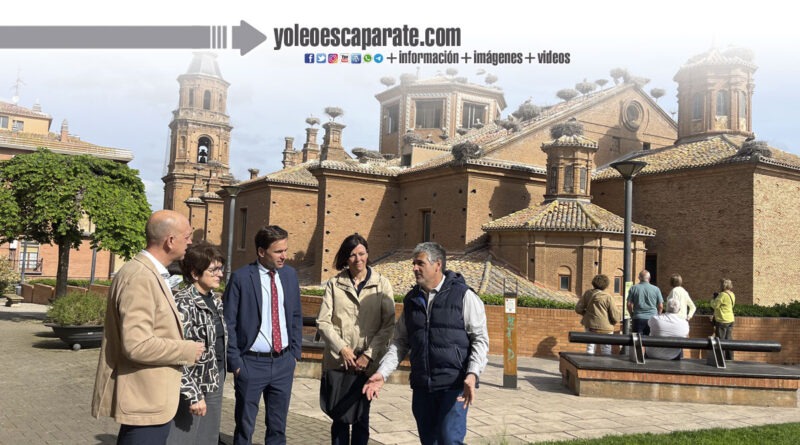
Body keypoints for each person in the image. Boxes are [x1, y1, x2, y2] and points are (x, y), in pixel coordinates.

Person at [92, 210, 205, 445]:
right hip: (145, 399)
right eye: (187, 236)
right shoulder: (140, 277)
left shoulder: (148, 273)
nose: (191, 242)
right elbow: (137, 345)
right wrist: (186, 350)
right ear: (170, 240)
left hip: (151, 399)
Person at [362, 242, 489, 445]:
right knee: (429, 441)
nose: (414, 268)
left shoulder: (464, 296)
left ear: (437, 265)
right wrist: (382, 373)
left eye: (420, 263)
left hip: (453, 386)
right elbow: (400, 342)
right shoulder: (412, 300)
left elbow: (480, 339)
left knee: (450, 440)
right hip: (422, 387)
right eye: (414, 263)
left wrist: (472, 374)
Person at [225, 225, 303, 445]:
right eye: (278, 251)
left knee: (278, 427)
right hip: (250, 363)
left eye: (285, 250)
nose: (284, 256)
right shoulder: (241, 278)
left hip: (283, 363)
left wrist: (295, 353)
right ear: (261, 251)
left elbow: (296, 315)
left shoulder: (289, 275)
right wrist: (236, 362)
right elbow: (228, 322)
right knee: (244, 427)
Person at [316, 234, 396, 445]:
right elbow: (323, 321)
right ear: (345, 258)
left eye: (361, 253)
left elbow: (388, 325)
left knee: (362, 417)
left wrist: (369, 355)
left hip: (366, 366)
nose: (358, 259)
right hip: (339, 362)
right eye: (352, 255)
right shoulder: (335, 284)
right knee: (340, 418)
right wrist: (342, 348)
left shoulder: (382, 284)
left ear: (368, 254)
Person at [167, 242, 227, 445]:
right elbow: (175, 352)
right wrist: (192, 394)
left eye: (221, 269)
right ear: (195, 273)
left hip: (214, 377)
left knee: (208, 438)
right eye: (214, 270)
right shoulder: (183, 302)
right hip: (191, 383)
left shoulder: (215, 300)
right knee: (183, 438)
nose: (220, 274)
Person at [575, 274, 621, 355]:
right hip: (606, 327)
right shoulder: (608, 297)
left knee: (590, 347)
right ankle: (605, 366)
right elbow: (615, 316)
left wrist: (586, 314)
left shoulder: (587, 294)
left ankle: (588, 366)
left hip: (590, 325)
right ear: (606, 285)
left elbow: (578, 309)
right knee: (606, 349)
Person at [626, 270, 663, 336]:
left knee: (638, 342)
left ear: (639, 278)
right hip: (653, 318)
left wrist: (632, 314)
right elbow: (660, 306)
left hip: (638, 318)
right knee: (651, 341)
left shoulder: (633, 288)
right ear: (649, 278)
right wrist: (658, 315)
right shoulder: (656, 289)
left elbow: (629, 304)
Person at [710, 278, 736, 360]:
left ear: (723, 286)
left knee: (720, 341)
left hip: (722, 320)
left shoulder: (722, 295)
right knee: (729, 340)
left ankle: (721, 359)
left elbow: (715, 305)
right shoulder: (732, 294)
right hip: (731, 319)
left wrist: (713, 299)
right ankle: (730, 359)